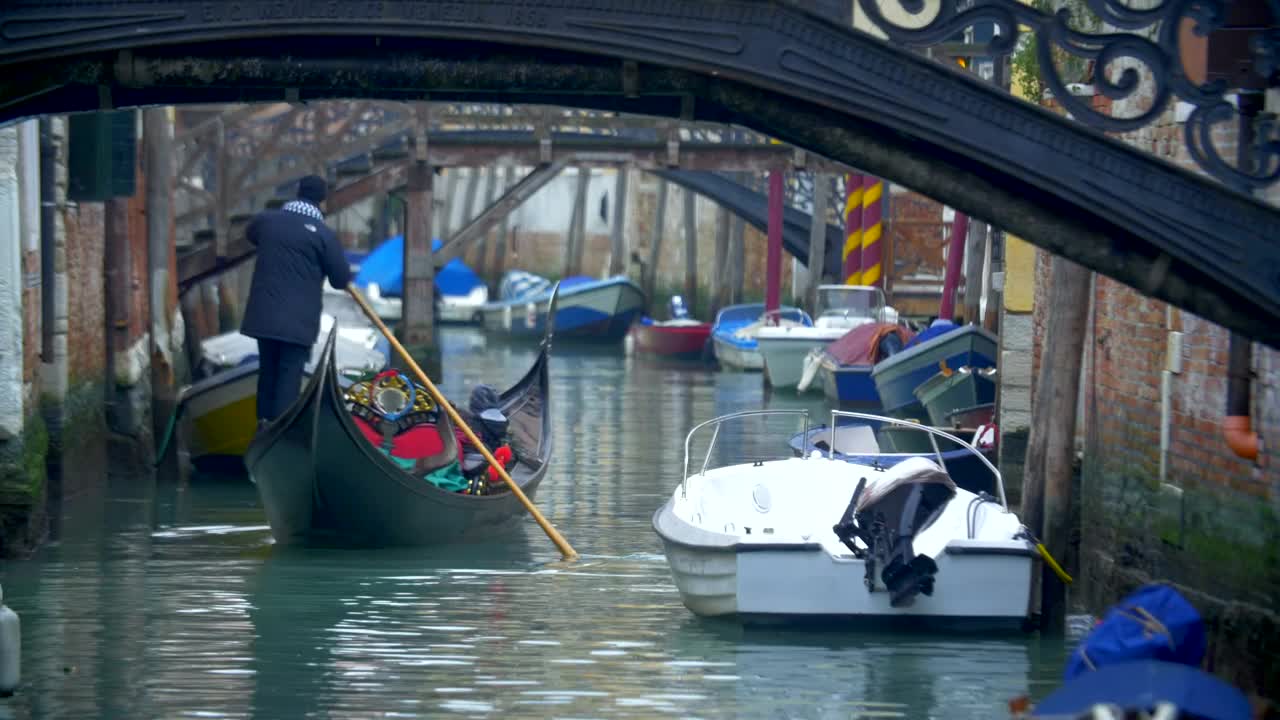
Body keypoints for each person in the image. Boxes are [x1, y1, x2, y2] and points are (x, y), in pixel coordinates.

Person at [240, 175, 351, 426]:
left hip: (264, 315)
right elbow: (340, 280)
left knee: (268, 372)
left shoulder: (266, 221)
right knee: (289, 377)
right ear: (322, 201)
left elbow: (251, 234)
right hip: (298, 322)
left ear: (298, 192)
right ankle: (281, 430)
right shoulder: (323, 235)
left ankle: (263, 425)